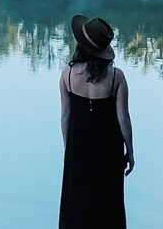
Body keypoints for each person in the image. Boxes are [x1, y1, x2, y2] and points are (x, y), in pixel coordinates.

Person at [59, 15, 134, 229]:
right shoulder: (116, 77)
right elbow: (123, 117)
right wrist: (130, 150)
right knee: (108, 203)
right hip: (108, 151)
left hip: (77, 147)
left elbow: (65, 116)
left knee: (76, 204)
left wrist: (69, 148)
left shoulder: (67, 74)